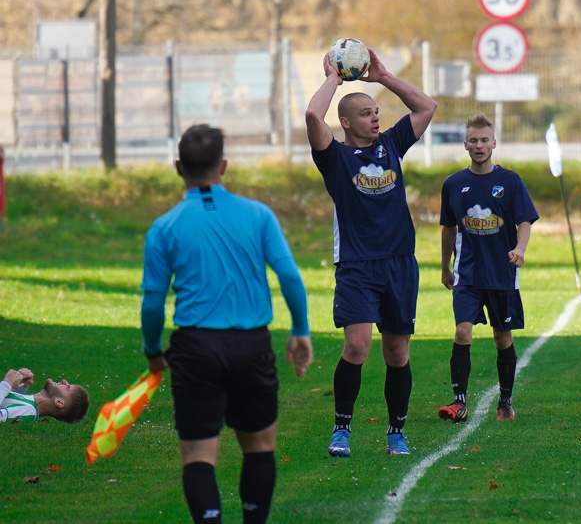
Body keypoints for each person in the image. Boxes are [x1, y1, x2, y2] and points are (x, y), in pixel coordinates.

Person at [141, 124, 313, 524]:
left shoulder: (164, 226)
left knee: (199, 455)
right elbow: (289, 276)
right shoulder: (257, 215)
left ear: (178, 167)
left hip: (195, 349)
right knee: (259, 446)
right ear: (224, 166)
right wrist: (300, 329)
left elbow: (153, 304)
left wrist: (153, 352)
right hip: (250, 345)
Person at [305, 46, 436, 457]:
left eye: (376, 111)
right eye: (366, 113)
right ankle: (341, 428)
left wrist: (382, 77)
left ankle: (396, 432)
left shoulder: (392, 145)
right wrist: (334, 79)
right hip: (358, 264)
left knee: (397, 352)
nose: (375, 117)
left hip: (399, 262)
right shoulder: (336, 157)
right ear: (345, 122)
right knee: (358, 345)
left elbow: (426, 107)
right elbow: (312, 117)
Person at [437, 114, 539, 423]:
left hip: (501, 274)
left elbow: (524, 221)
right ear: (465, 143)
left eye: (484, 140)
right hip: (467, 274)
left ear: (494, 143)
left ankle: (505, 400)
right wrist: (445, 267)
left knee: (502, 338)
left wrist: (520, 249)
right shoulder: (453, 184)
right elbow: (448, 229)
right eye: (474, 140)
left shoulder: (510, 181)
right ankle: (458, 401)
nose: (479, 145)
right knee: (462, 332)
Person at [0, 367, 89, 423]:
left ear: (59, 402)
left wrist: (7, 383)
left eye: (68, 387)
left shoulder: (29, 411)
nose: (64, 381)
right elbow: (6, 403)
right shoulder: (29, 405)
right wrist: (20, 387)